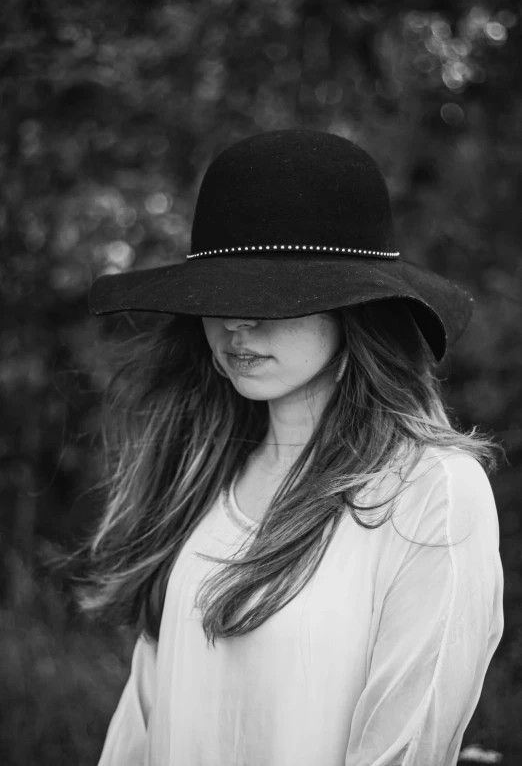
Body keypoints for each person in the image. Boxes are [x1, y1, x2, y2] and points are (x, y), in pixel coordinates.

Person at [86, 129, 504, 766]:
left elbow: (403, 749)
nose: (236, 324)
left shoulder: (429, 493)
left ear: (356, 306)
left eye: (272, 297)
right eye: (219, 297)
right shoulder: (200, 470)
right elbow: (142, 730)